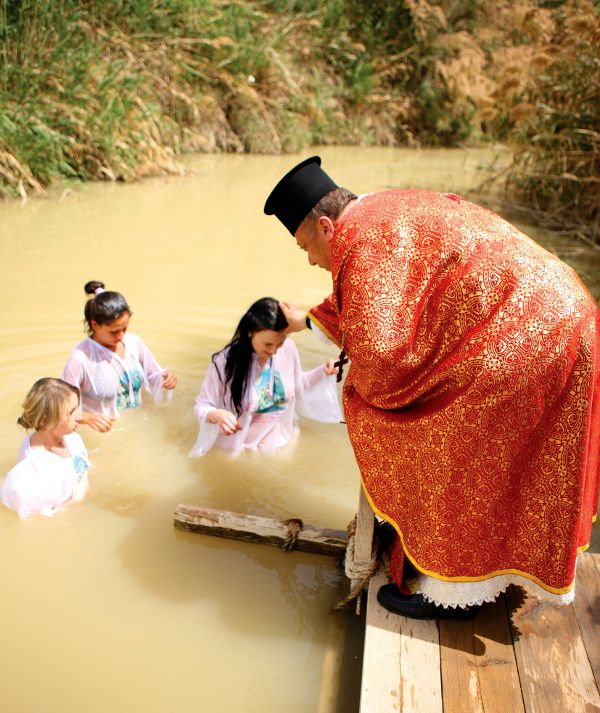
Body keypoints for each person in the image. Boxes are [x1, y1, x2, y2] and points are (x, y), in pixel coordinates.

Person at [264, 155, 600, 619]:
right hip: (566, 319)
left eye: (305, 246)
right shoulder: (382, 209)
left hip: (527, 333)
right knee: (508, 458)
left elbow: (381, 358)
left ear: (324, 226)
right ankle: (495, 565)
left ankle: (452, 591)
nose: (312, 259)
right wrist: (311, 319)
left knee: (440, 438)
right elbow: (380, 299)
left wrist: (355, 392)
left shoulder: (359, 245)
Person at [189, 297, 342, 457]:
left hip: (281, 445)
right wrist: (217, 415)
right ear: (250, 332)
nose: (274, 350)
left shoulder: (288, 348)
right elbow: (202, 405)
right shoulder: (225, 362)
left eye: (279, 343)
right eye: (268, 344)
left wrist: (324, 372)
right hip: (238, 452)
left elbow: (297, 385)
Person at [62, 281, 177, 432]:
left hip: (138, 425)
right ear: (95, 325)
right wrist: (89, 419)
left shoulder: (134, 342)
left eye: (125, 328)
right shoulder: (81, 358)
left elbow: (154, 375)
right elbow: (61, 407)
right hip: (101, 434)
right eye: (114, 331)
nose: (121, 335)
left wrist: (167, 379)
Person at [2, 378, 90, 519]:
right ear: (45, 420)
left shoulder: (71, 438)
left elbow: (84, 466)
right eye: (72, 412)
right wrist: (78, 501)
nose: (79, 416)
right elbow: (46, 519)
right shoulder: (37, 472)